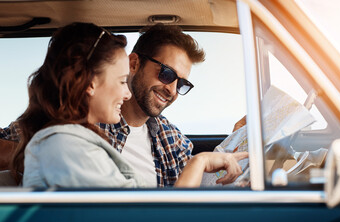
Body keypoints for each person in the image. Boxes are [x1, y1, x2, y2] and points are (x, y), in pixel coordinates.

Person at [2, 23, 246, 187]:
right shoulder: (67, 136)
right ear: (134, 64)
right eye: (167, 74)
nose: (172, 90)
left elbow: (203, 186)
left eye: (182, 84)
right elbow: (154, 221)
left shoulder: (172, 139)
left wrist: (236, 141)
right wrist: (26, 154)